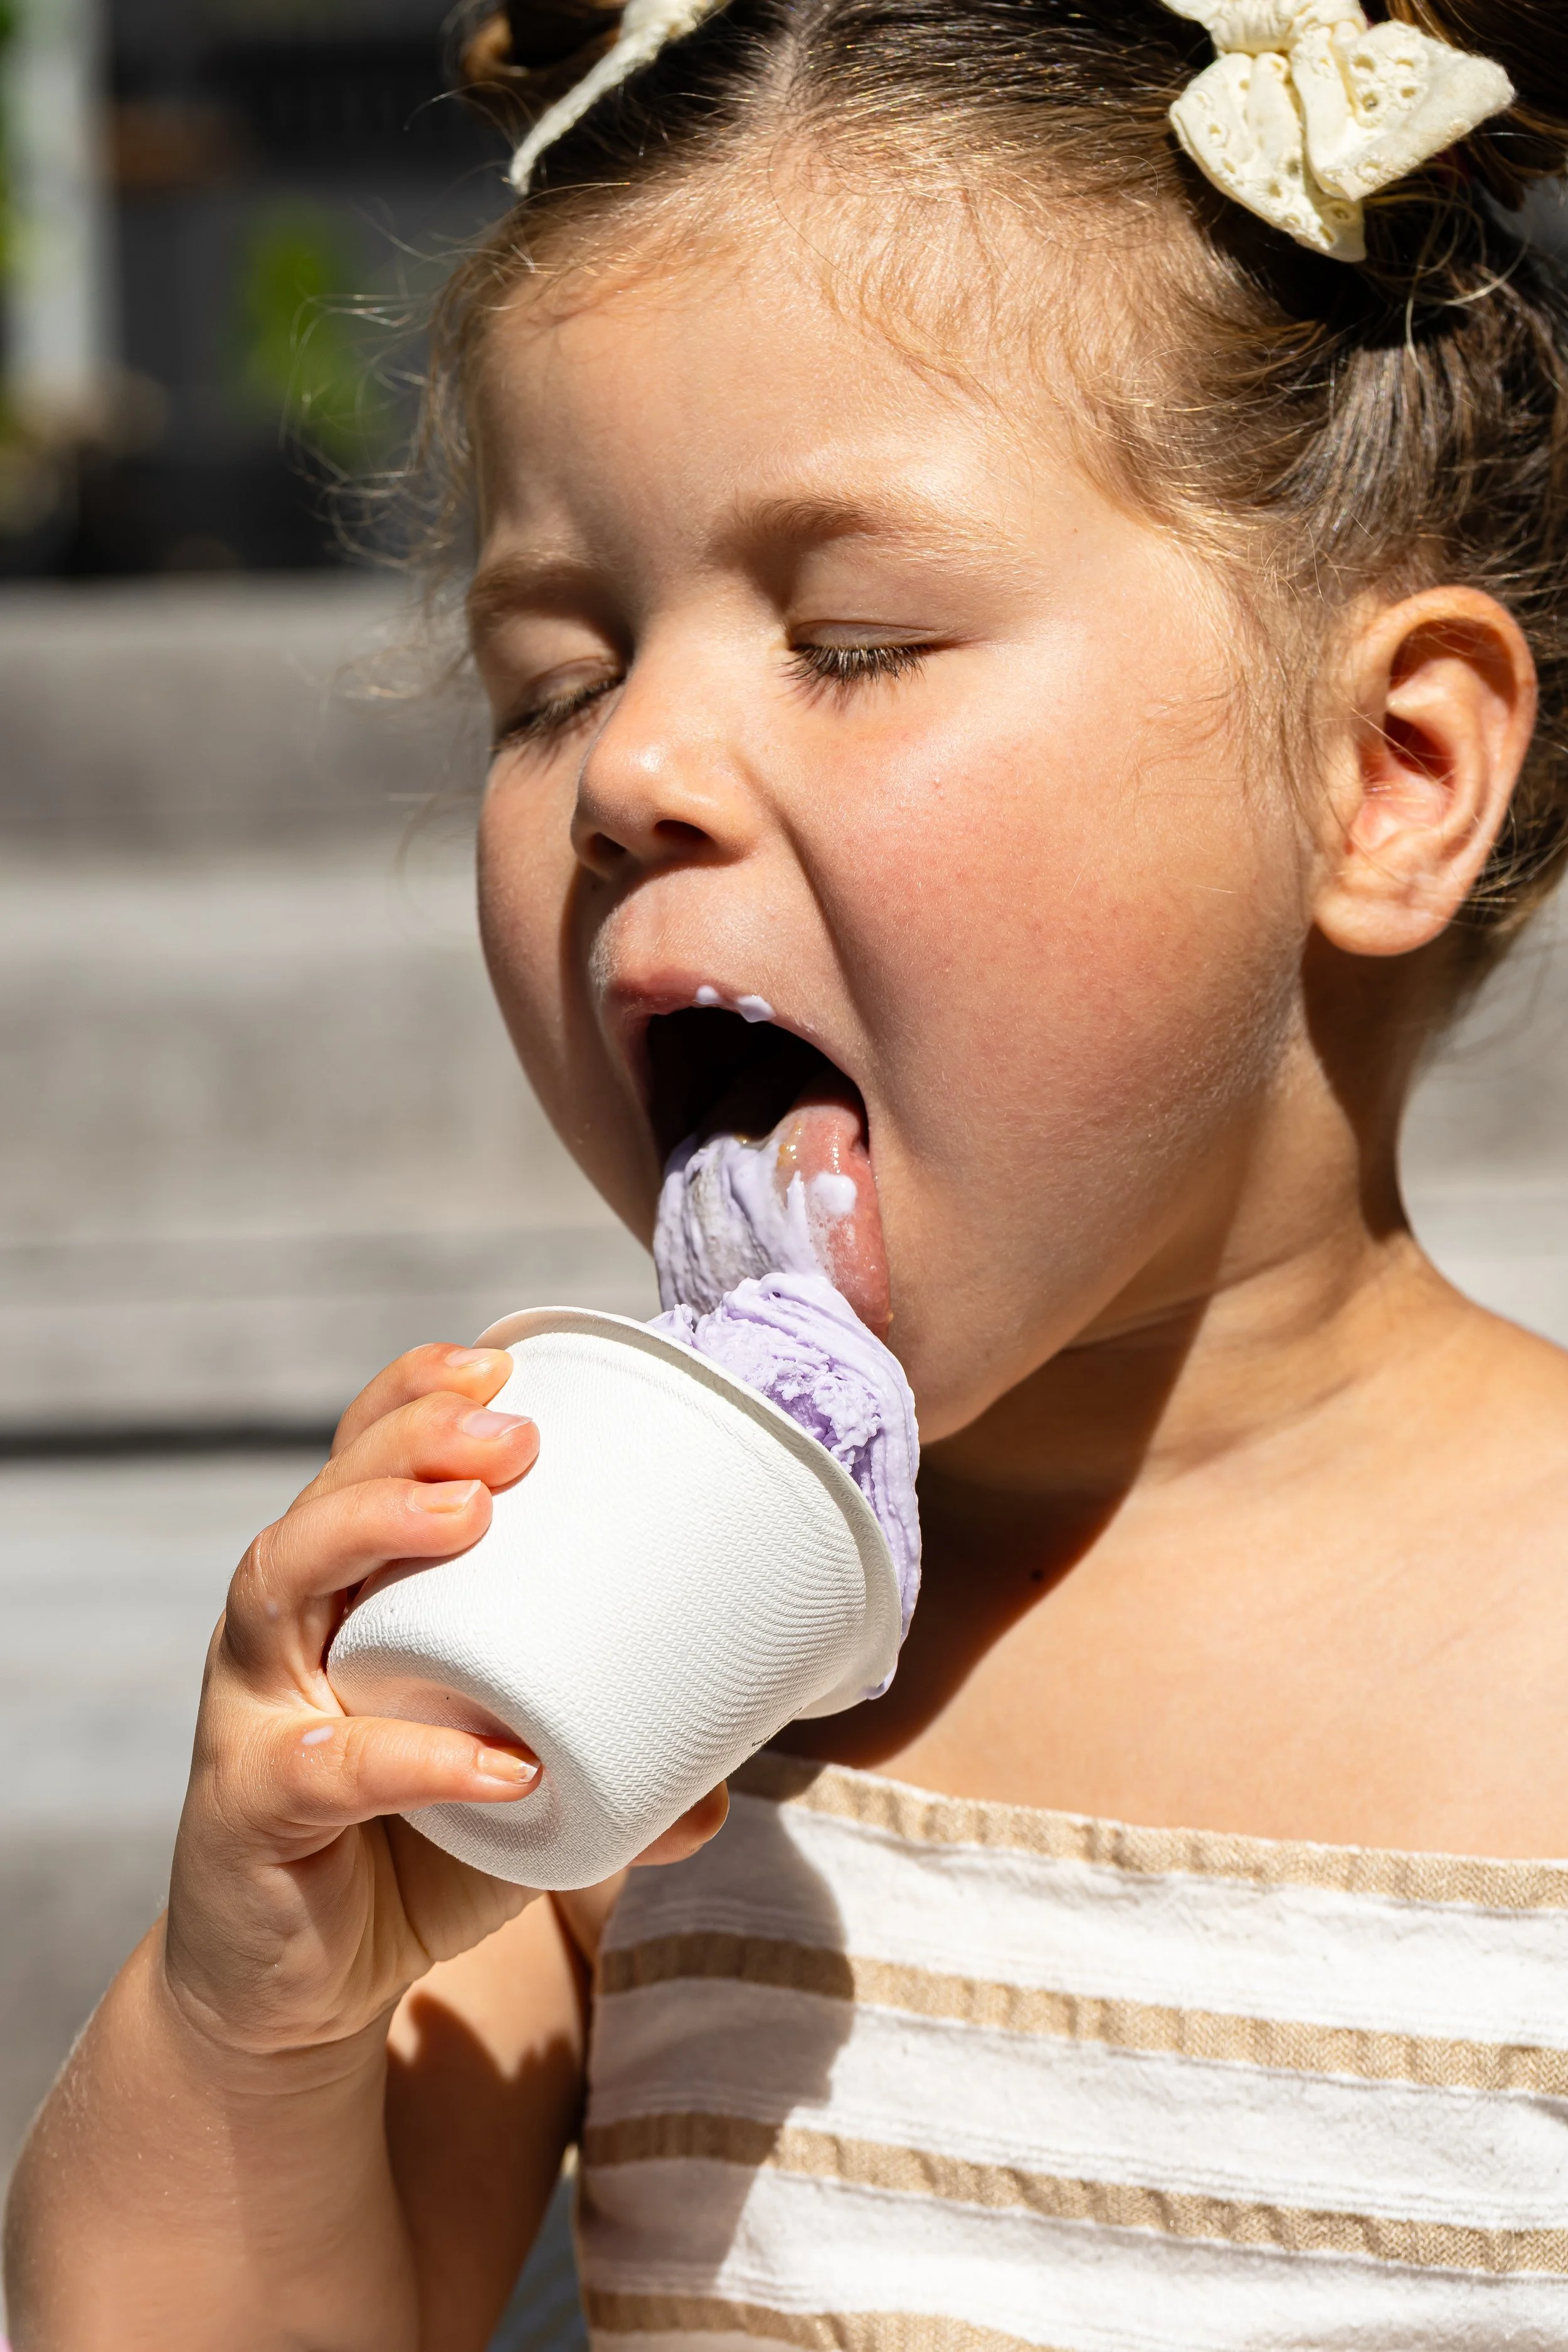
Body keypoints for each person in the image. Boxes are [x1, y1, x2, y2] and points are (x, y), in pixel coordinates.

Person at [9, 0, 1568, 2343]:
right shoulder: (622, 1685)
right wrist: (267, 2014)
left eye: (850, 640)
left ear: (1381, 770)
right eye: (548, 678)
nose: (633, 761)